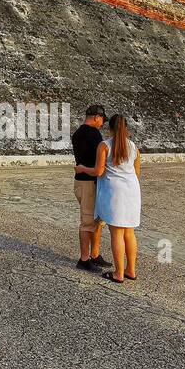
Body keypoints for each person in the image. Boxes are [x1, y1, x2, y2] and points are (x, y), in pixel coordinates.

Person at [86, 114, 141, 283]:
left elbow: (98, 171)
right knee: (129, 232)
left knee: (116, 232)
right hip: (132, 190)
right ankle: (130, 270)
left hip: (114, 191)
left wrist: (81, 168)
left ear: (110, 128)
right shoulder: (133, 147)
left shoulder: (105, 146)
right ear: (126, 128)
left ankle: (118, 273)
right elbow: (136, 173)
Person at [72, 104, 110, 272]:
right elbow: (102, 157)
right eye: (102, 120)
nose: (102, 124)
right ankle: (84, 258)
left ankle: (94, 254)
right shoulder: (93, 133)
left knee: (96, 221)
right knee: (88, 222)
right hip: (89, 182)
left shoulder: (78, 133)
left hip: (83, 181)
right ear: (96, 117)